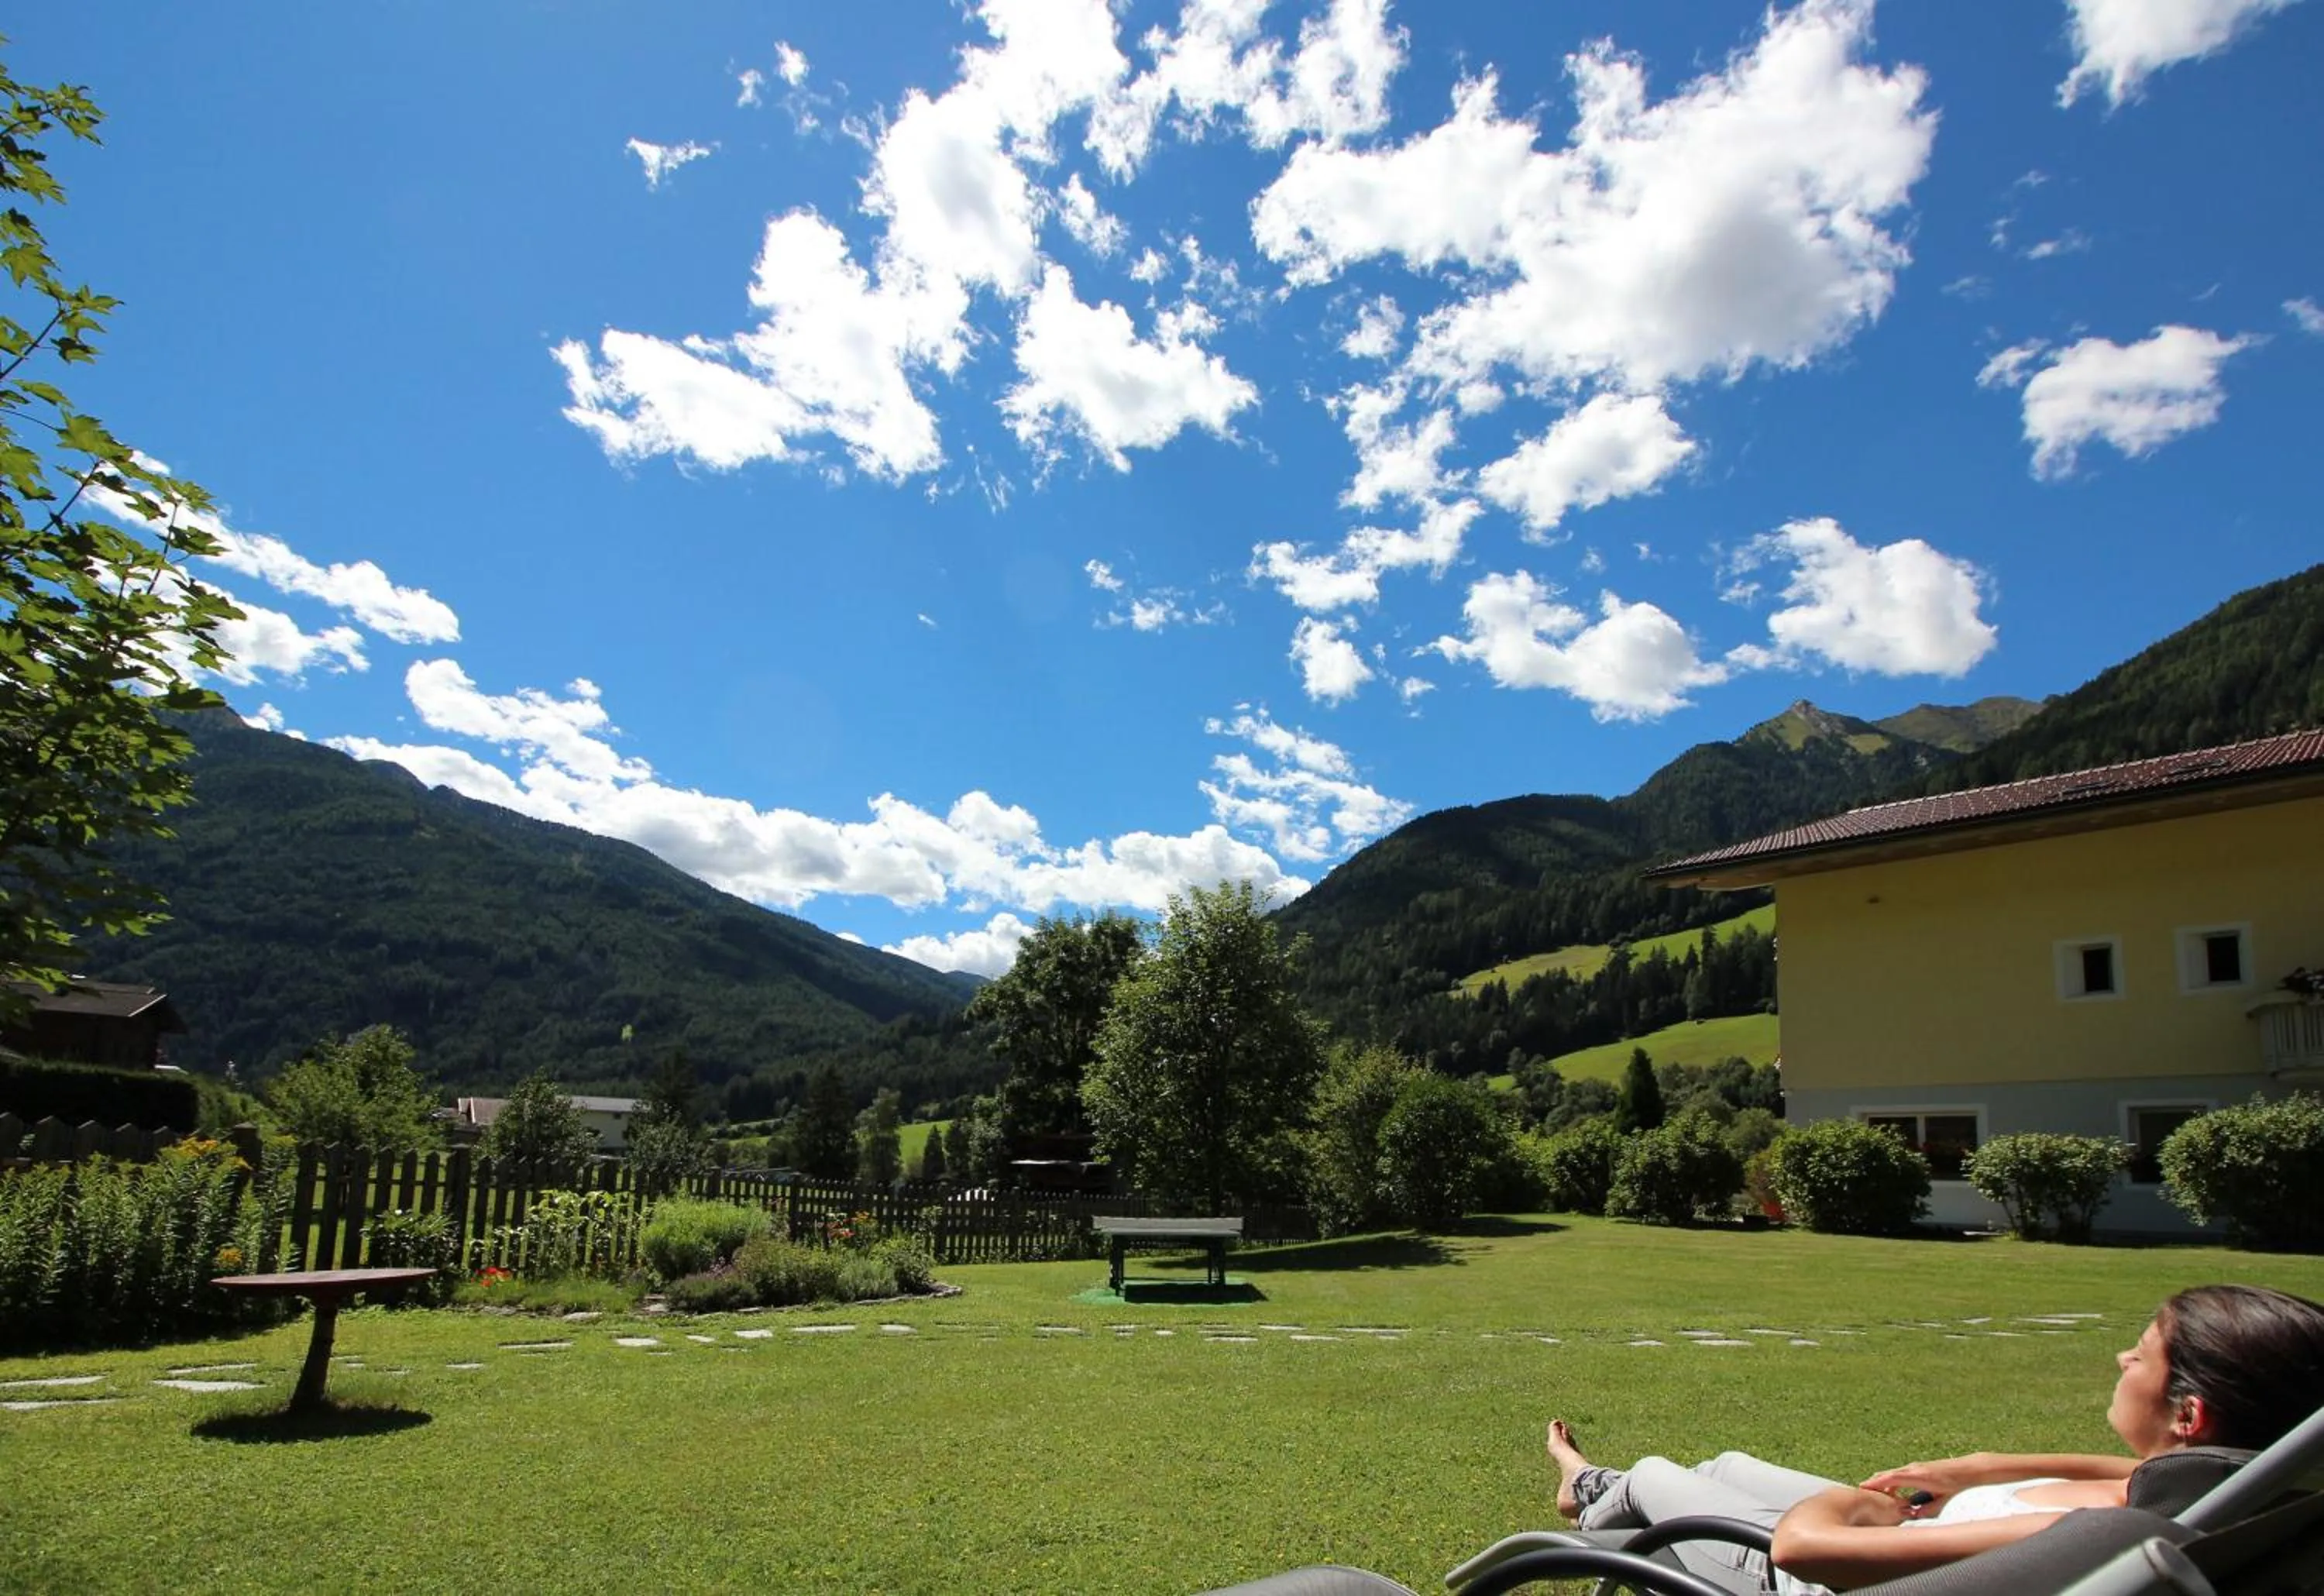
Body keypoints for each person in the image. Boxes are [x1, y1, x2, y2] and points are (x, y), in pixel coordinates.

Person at [1545, 1284, 2324, 1594]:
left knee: (1656, 1472)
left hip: (1811, 1571)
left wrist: (1850, 1504)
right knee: (1723, 1463)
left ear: (2188, 1415)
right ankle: (1593, 1489)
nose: (2123, 1358)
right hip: (1907, 1529)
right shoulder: (2227, 1496)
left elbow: (1802, 1550)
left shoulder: (2113, 1527)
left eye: (2142, 1352)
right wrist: (1981, 1466)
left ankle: (1588, 1492)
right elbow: (2116, 1469)